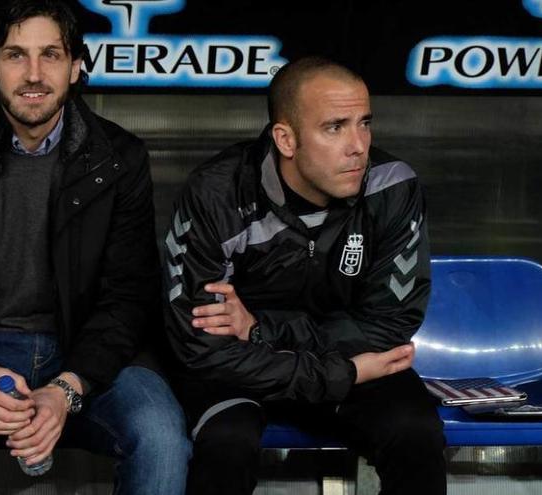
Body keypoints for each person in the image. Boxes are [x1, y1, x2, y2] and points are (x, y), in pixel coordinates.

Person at [0, 1, 190, 493]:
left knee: (160, 438)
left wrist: (67, 390)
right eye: (15, 55)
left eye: (50, 54)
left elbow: (130, 295)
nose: (33, 74)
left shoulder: (120, 158)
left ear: (75, 67)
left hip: (85, 349)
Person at [163, 56, 446, 494]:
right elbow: (201, 345)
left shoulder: (392, 186)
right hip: (254, 372)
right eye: (335, 127)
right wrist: (340, 374)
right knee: (227, 441)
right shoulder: (217, 194)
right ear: (286, 138)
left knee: (415, 430)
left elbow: (389, 326)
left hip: (337, 361)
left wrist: (260, 329)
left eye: (364, 123)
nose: (359, 145)